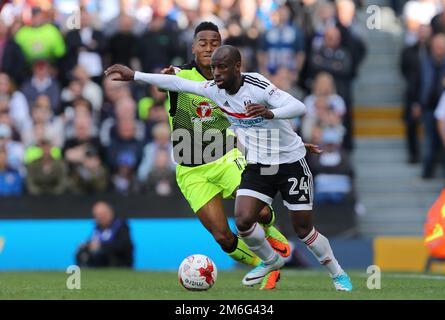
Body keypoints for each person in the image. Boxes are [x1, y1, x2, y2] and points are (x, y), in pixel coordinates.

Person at [104, 44, 352, 292]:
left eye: (221, 67)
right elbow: (178, 84)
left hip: (290, 163)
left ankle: (337, 274)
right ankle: (271, 260)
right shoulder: (214, 90)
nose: (216, 73)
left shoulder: (257, 85)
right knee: (243, 221)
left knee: (303, 229)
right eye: (213, 68)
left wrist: (269, 113)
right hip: (258, 164)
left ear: (237, 67)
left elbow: (299, 107)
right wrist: (134, 75)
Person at [143, 22, 292, 277]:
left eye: (215, 43)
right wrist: (165, 78)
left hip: (225, 156)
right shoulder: (179, 76)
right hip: (191, 171)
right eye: (203, 43)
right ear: (193, 47)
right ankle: (264, 266)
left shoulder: (234, 80)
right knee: (223, 237)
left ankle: (271, 231)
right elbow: (160, 84)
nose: (209, 48)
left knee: (261, 210)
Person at [76, 201, 134, 268]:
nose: (99, 217)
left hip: (118, 261)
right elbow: (93, 241)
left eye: (102, 214)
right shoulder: (98, 228)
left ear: (110, 213)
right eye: (97, 215)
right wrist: (87, 244)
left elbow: (125, 245)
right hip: (99, 260)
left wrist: (101, 245)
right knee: (81, 252)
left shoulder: (121, 226)